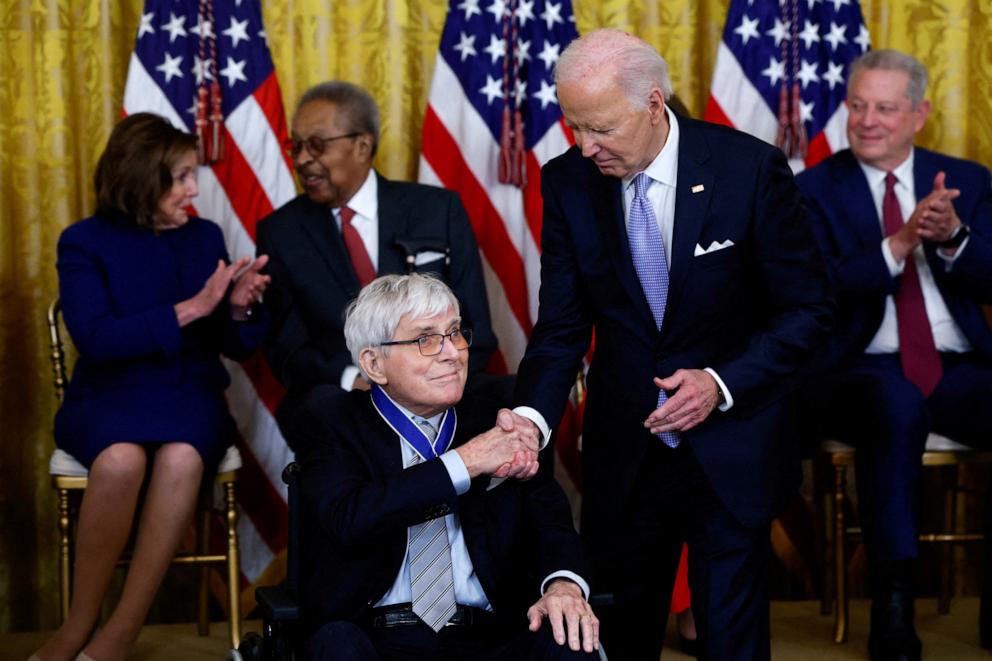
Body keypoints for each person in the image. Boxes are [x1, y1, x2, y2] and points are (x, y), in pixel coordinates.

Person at [511, 29, 834, 660]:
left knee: (731, 642)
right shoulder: (569, 183)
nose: (584, 146)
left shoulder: (749, 170)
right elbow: (561, 328)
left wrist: (720, 383)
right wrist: (529, 421)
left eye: (600, 128)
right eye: (574, 125)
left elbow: (809, 309)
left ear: (654, 104)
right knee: (619, 639)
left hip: (731, 446)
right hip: (625, 451)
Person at [31, 113, 270, 661]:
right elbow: (96, 339)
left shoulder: (203, 236)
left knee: (185, 460)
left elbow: (235, 347)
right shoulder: (84, 242)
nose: (193, 189)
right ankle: (77, 626)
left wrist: (237, 306)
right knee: (119, 462)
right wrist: (196, 307)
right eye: (181, 176)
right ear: (142, 177)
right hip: (108, 394)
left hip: (188, 392)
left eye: (192, 175)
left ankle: (119, 634)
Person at [286, 273, 599, 660]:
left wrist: (564, 585)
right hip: (372, 636)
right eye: (425, 339)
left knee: (569, 638)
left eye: (455, 333)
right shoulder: (331, 419)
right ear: (374, 363)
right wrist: (466, 462)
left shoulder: (495, 414)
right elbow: (350, 517)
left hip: (488, 635)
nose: (452, 352)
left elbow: (550, 520)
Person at [795, 48, 992, 660]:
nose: (868, 120)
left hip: (954, 365)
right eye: (858, 106)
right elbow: (814, 293)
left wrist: (953, 237)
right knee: (896, 405)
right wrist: (901, 242)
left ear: (919, 114)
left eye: (885, 107)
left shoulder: (968, 179)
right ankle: (894, 605)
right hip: (855, 370)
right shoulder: (811, 190)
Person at [256, 81, 500, 459]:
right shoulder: (280, 232)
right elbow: (288, 351)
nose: (302, 159)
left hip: (442, 390)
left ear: (362, 145)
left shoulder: (438, 210)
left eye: (317, 145)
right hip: (340, 398)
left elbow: (477, 330)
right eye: (297, 146)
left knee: (508, 400)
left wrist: (423, 384)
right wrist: (355, 379)